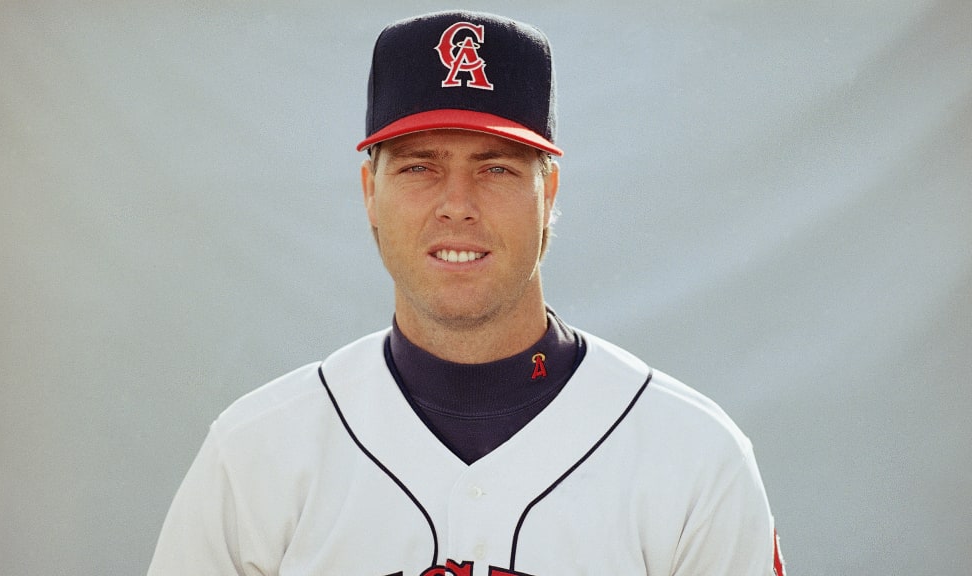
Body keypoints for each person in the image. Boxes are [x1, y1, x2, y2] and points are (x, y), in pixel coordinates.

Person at [147, 10, 785, 576]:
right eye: (420, 166)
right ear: (370, 192)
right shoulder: (257, 453)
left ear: (549, 194)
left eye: (497, 168)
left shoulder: (694, 458)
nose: (457, 205)